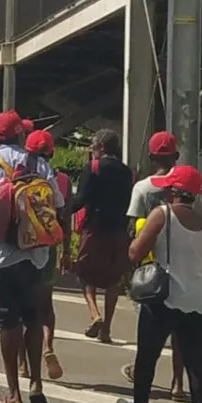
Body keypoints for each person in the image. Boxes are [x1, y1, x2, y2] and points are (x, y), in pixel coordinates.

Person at [0, 111, 65, 403]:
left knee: (8, 322)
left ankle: (13, 394)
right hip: (35, 255)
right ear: (20, 135)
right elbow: (57, 206)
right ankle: (36, 383)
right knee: (32, 319)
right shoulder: (40, 163)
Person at [118, 166, 202, 403]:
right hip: (200, 302)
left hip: (164, 300)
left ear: (173, 191)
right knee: (197, 365)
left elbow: (134, 252)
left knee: (147, 360)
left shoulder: (162, 214)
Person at [18, 130, 72, 381]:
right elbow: (63, 215)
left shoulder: (15, 170)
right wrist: (67, 249)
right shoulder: (59, 179)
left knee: (21, 305)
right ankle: (48, 346)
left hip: (19, 245)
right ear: (50, 152)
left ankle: (22, 363)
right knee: (45, 303)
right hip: (47, 244)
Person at [72, 129, 134, 343]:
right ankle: (106, 328)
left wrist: (61, 211)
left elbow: (80, 199)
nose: (91, 150)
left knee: (84, 273)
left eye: (93, 146)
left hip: (95, 227)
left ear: (100, 147)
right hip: (119, 229)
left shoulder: (94, 167)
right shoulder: (127, 172)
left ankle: (94, 313)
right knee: (113, 280)